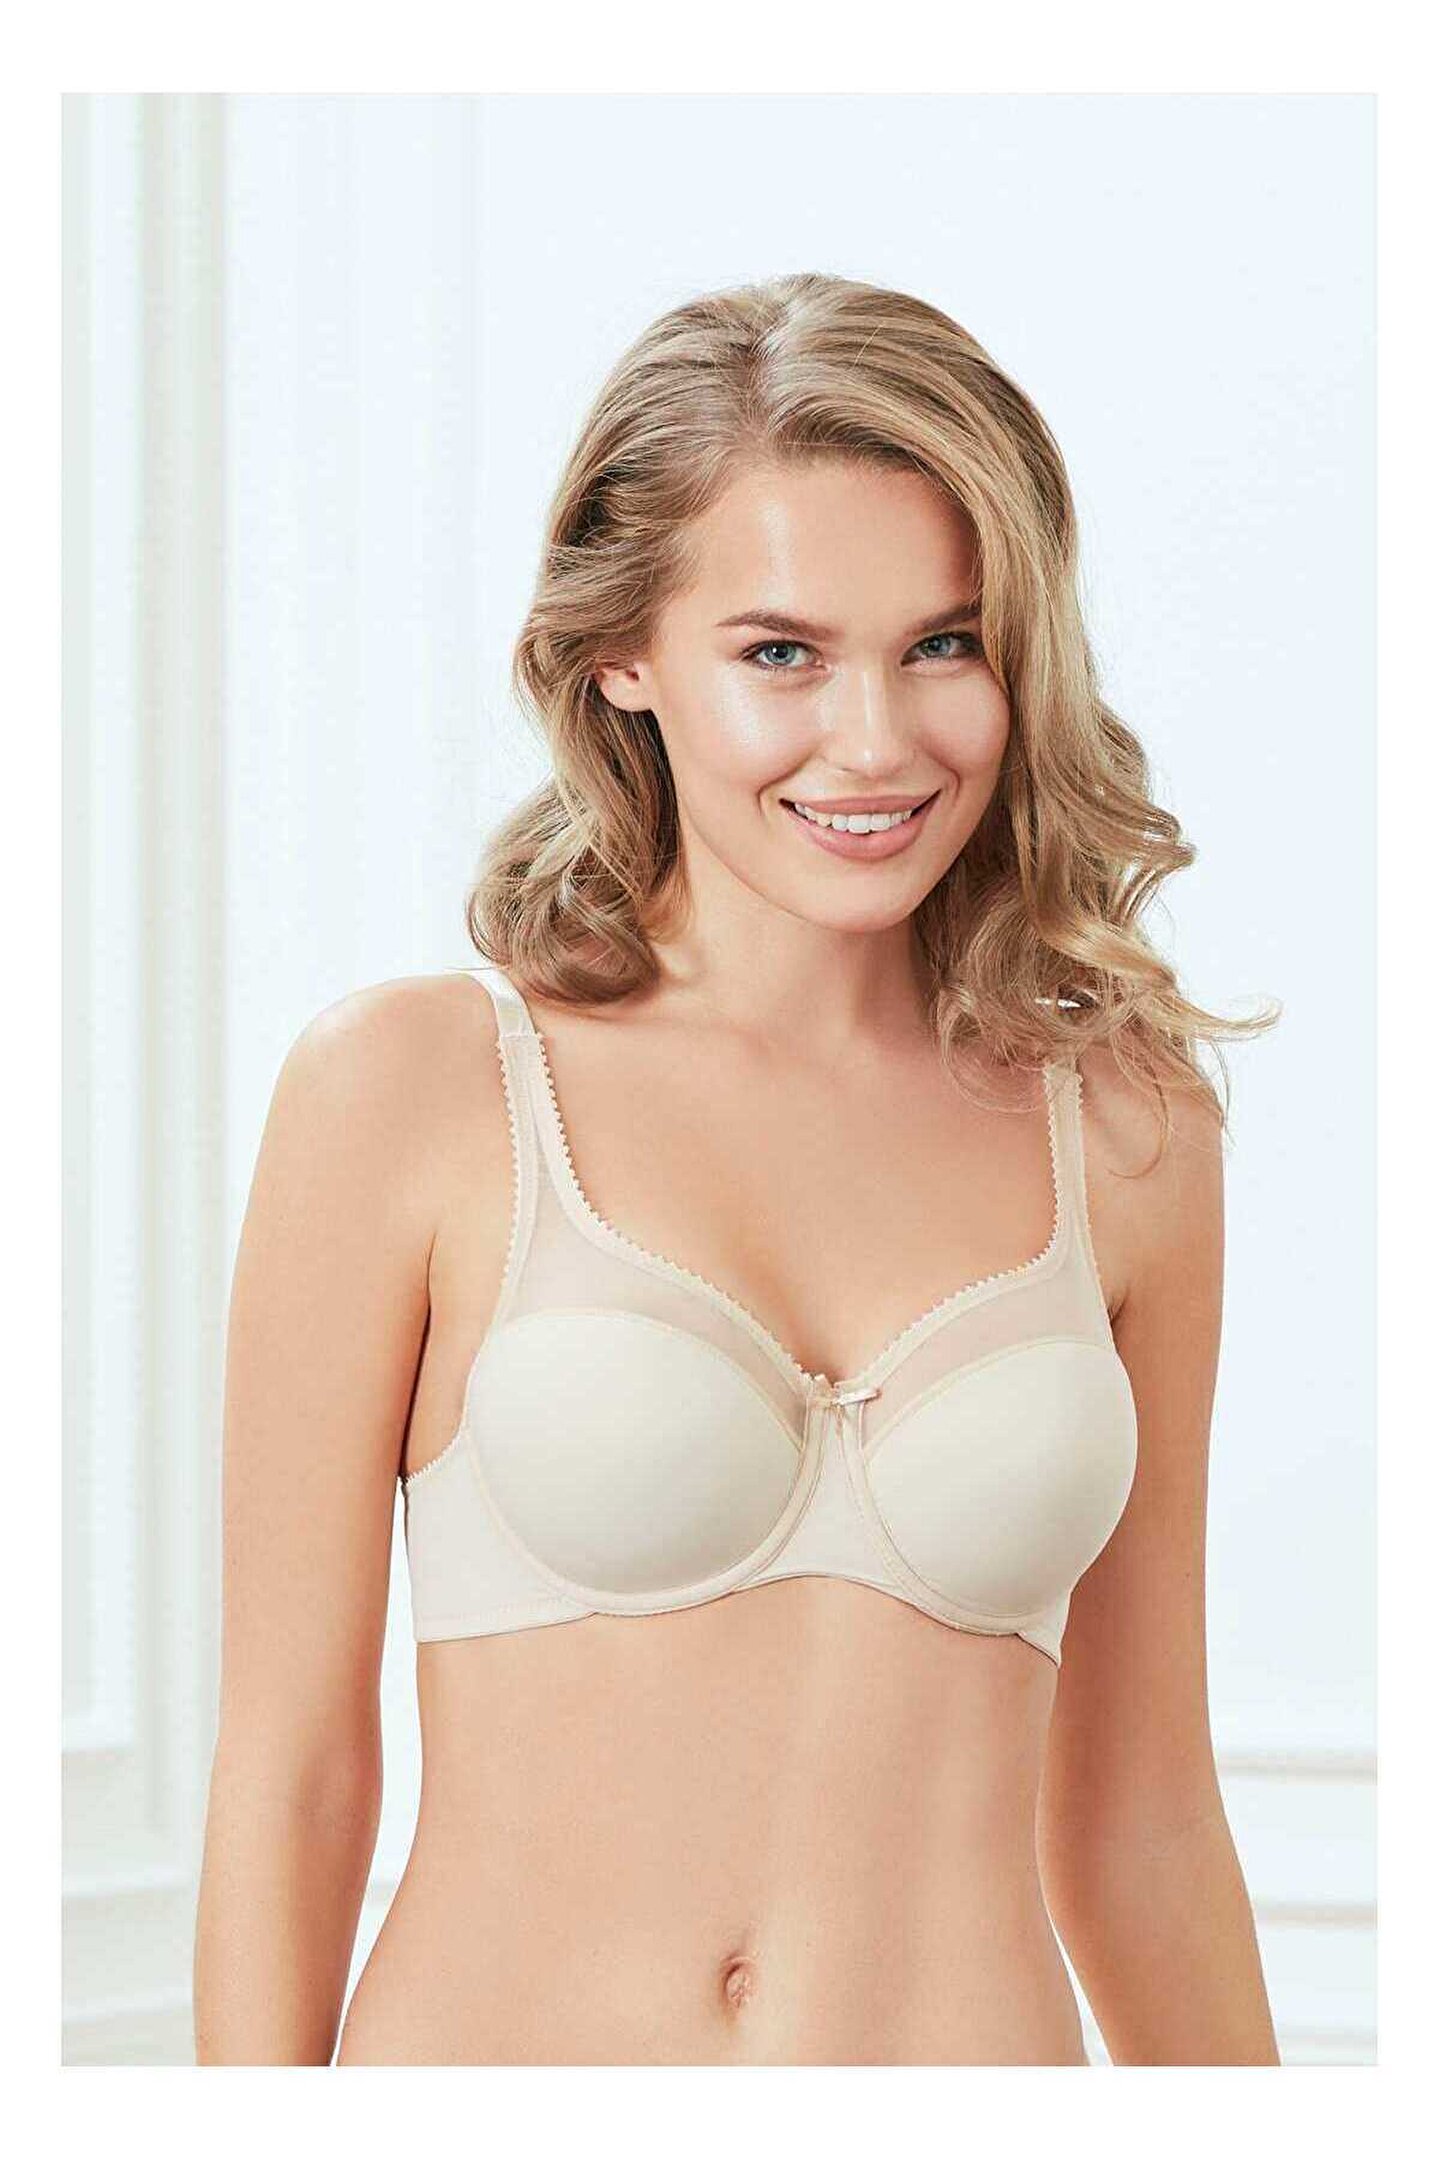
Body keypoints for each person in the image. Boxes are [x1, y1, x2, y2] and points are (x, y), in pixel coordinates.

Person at [193, 272, 1282, 2066]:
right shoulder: (417, 1095)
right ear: (620, 654)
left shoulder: (1129, 1129)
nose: (878, 741)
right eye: (781, 653)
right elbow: (294, 1776)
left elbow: (1145, 1818)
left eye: (946, 644)